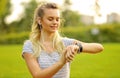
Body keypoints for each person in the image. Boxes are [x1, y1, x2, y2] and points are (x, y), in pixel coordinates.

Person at [22, 2, 104, 78]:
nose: (55, 22)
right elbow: (38, 75)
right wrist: (61, 63)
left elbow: (99, 47)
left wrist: (77, 47)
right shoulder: (29, 45)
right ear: (40, 21)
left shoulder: (66, 42)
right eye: (50, 19)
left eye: (57, 19)